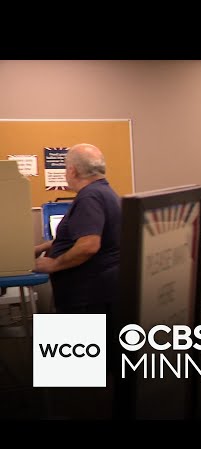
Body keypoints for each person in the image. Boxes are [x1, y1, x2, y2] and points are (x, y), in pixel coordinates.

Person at [33, 143, 121, 392]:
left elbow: (89, 245)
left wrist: (53, 263)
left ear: (71, 170)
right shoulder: (105, 192)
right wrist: (49, 245)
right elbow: (87, 233)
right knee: (98, 370)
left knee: (75, 382)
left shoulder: (89, 197)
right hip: (101, 291)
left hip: (85, 295)